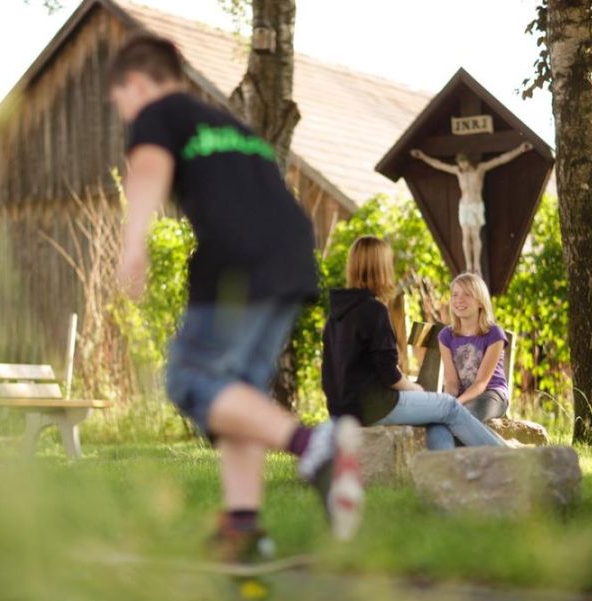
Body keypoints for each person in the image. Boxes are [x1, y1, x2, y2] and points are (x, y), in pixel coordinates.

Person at [109, 34, 364, 562]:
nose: (125, 113)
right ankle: (242, 528)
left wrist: (132, 246)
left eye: (121, 102)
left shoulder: (157, 113)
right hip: (292, 250)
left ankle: (314, 446)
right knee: (237, 397)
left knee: (191, 379)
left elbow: (149, 168)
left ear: (137, 84)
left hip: (238, 256)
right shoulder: (228, 124)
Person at [321, 236, 507, 451]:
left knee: (439, 415)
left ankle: (441, 473)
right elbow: (389, 374)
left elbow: (328, 374)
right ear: (381, 269)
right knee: (447, 406)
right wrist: (415, 388)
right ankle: (510, 461)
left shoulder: (335, 315)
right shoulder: (374, 311)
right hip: (375, 406)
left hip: (341, 409)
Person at [409, 142, 532, 275]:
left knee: (475, 235)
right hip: (464, 206)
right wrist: (423, 157)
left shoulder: (480, 169)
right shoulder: (458, 171)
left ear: (469, 161)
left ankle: (477, 266)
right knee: (466, 235)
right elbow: (439, 165)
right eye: (460, 162)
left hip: (476, 205)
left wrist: (520, 150)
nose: (462, 165)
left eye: (464, 162)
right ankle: (469, 266)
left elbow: (500, 160)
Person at [427, 273, 511, 450]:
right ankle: (444, 466)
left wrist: (456, 404)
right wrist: (447, 403)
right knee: (438, 423)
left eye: (467, 294)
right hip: (462, 395)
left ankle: (505, 457)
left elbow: (481, 383)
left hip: (491, 394)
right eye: (455, 294)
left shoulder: (494, 334)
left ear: (480, 302)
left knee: (462, 418)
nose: (459, 299)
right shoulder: (446, 336)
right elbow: (451, 383)